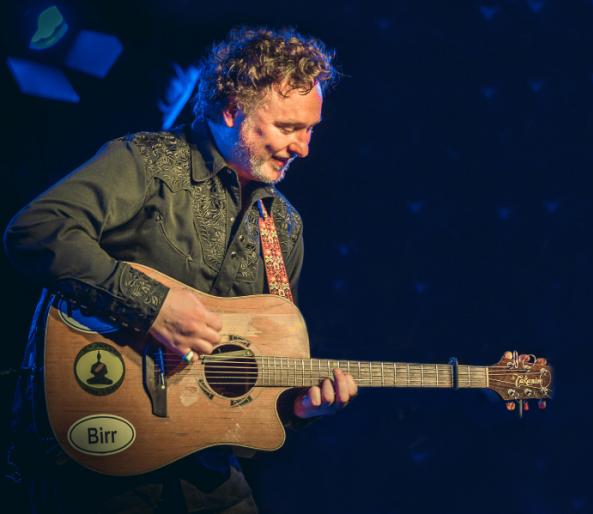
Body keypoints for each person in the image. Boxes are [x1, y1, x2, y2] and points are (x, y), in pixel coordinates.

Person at [3, 26, 357, 513]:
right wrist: (154, 308)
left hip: (208, 477)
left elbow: (257, 379)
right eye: (288, 127)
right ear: (232, 109)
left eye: (310, 129)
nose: (304, 147)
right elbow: (36, 230)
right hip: (93, 467)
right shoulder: (147, 161)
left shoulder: (285, 226)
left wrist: (299, 408)